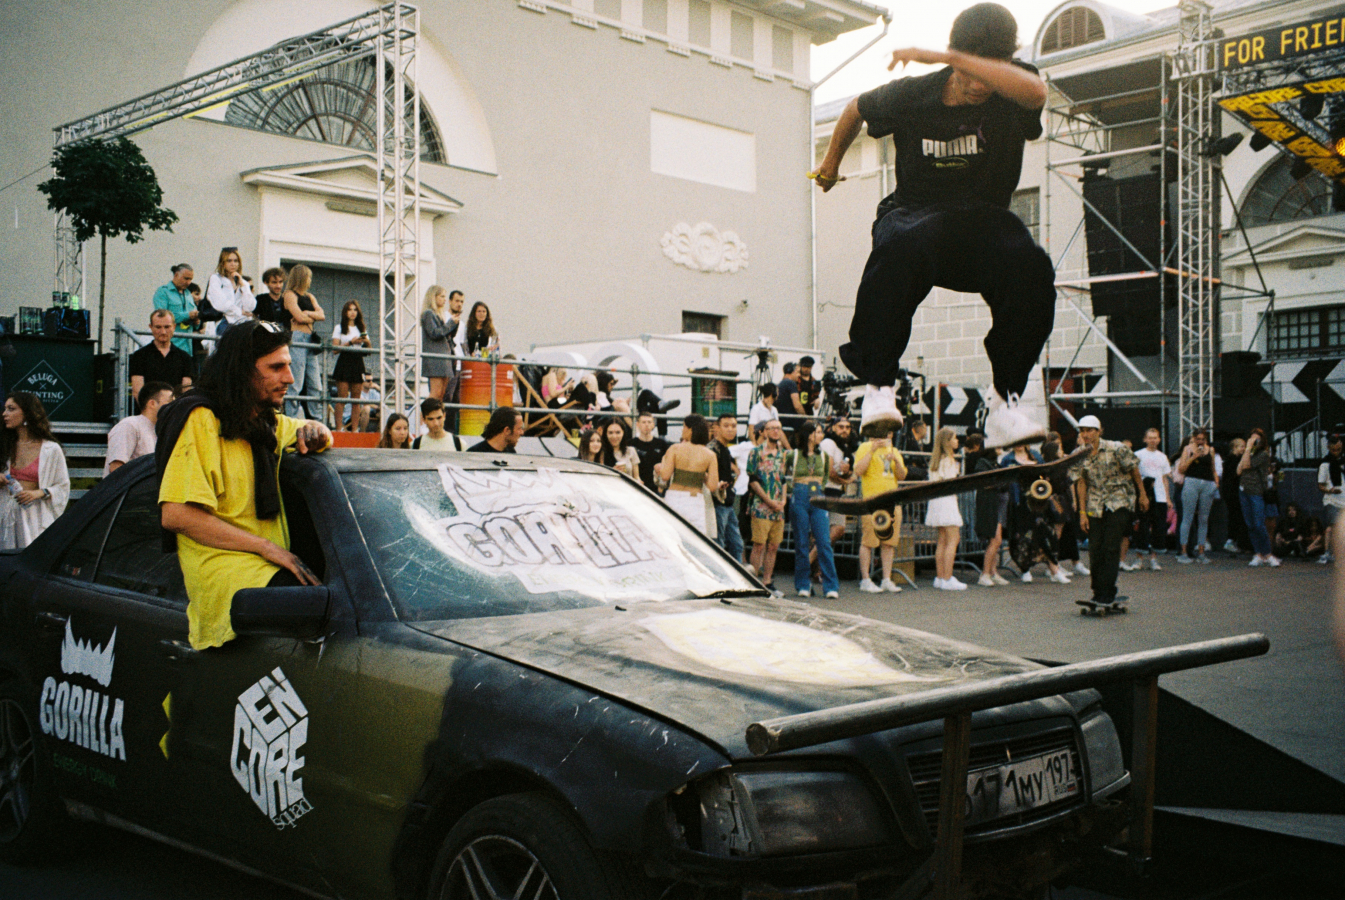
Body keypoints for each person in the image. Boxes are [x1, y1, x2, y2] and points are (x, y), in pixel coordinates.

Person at [812, 3, 1050, 449]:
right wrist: (829, 165)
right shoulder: (912, 94)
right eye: (967, 74)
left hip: (981, 227)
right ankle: (879, 388)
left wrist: (953, 58)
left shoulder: (1014, 86)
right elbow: (855, 108)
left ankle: (1004, 404)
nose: (978, 86)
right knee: (900, 242)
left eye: (987, 74)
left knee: (1030, 266)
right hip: (914, 213)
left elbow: (1036, 93)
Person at [157, 320, 332, 650]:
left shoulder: (264, 424)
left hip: (268, 565)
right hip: (227, 575)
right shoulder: (202, 419)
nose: (290, 378)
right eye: (276, 368)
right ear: (242, 371)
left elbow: (313, 429)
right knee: (324, 615)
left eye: (288, 365)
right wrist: (267, 548)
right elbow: (176, 514)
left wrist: (318, 432)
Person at [1071, 415, 1147, 610]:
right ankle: (1098, 591)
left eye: (1090, 430)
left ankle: (1108, 591)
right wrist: (1082, 513)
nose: (1086, 434)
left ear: (1099, 431)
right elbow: (1081, 483)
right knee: (1095, 548)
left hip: (1119, 500)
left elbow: (1134, 470)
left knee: (1111, 547)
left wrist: (1142, 494)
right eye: (1082, 431)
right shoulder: (1078, 454)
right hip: (1095, 504)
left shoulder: (1116, 448)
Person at [0, 391, 70, 549]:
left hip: (35, 518)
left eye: (11, 409)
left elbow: (63, 486)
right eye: (5, 409)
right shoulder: (4, 445)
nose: (5, 414)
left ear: (27, 413)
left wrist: (39, 493)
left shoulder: (51, 449)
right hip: (5, 518)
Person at [854, 421, 907, 593]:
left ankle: (886, 579)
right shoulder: (864, 447)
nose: (885, 436)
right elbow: (858, 471)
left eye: (888, 433)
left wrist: (896, 461)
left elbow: (902, 476)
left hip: (891, 501)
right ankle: (865, 579)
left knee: (888, 543)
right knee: (869, 542)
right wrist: (872, 450)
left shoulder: (894, 450)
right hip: (872, 501)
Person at [789, 422, 840, 599]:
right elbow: (781, 472)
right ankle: (803, 584)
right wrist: (791, 488)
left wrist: (820, 488)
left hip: (817, 495)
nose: (821, 435)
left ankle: (831, 585)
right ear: (809, 435)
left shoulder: (823, 456)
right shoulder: (794, 454)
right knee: (802, 542)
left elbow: (825, 476)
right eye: (817, 432)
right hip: (799, 495)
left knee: (824, 541)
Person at [655, 414, 721, 537]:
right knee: (695, 539)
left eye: (684, 426)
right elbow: (712, 486)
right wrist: (701, 475)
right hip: (695, 500)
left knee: (670, 536)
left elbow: (665, 476)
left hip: (674, 497)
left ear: (691, 430)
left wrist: (664, 462)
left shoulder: (675, 448)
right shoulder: (710, 455)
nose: (682, 429)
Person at [746, 419, 790, 595]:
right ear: (764, 432)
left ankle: (767, 581)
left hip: (778, 507)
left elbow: (783, 479)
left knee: (773, 546)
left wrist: (783, 500)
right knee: (759, 545)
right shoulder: (756, 452)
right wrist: (768, 500)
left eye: (778, 428)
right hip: (761, 506)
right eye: (771, 428)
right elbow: (753, 480)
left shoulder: (783, 454)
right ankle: (753, 583)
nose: (775, 431)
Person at [281, 264, 325, 419]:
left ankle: (316, 418)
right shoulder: (289, 294)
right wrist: (311, 316)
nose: (310, 280)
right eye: (308, 277)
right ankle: (291, 418)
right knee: (296, 382)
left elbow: (322, 315)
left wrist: (307, 313)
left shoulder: (310, 296)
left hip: (310, 339)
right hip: (297, 337)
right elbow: (298, 317)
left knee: (315, 383)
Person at [926, 426, 966, 590]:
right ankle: (948, 577)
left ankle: (940, 576)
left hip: (936, 500)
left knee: (942, 540)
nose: (957, 441)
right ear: (947, 441)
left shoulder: (936, 460)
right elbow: (950, 483)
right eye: (954, 438)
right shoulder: (949, 460)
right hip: (947, 500)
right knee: (953, 539)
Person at [967, 434, 1009, 586]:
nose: (1000, 448)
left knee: (996, 540)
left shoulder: (995, 463)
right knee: (995, 540)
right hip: (989, 504)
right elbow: (984, 481)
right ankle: (985, 574)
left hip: (997, 503)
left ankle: (993, 571)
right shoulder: (983, 463)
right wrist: (1000, 482)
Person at [104, 381, 173, 474]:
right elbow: (116, 468)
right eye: (170, 402)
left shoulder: (163, 431)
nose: (174, 407)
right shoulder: (129, 425)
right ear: (152, 403)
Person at [1128, 427, 1172, 571]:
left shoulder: (1162, 457)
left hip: (1159, 496)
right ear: (1145, 439)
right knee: (1142, 526)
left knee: (1158, 528)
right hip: (1144, 495)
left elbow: (1164, 478)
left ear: (1159, 439)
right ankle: (1139, 559)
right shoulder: (1138, 455)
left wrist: (1167, 498)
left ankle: (1154, 559)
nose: (1153, 440)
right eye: (1150, 437)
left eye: (1155, 437)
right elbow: (1134, 476)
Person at [1175, 428, 1221, 564]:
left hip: (1207, 483)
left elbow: (1213, 469)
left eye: (1203, 439)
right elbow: (1181, 469)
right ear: (1194, 438)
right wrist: (1193, 457)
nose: (1200, 441)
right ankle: (1183, 551)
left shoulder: (1210, 450)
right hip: (1191, 482)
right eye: (1198, 439)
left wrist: (1216, 482)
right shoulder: (1188, 449)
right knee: (1187, 517)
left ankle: (1201, 552)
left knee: (1204, 518)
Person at [1238, 427, 1279, 568]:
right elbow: (1239, 469)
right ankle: (1258, 553)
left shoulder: (1263, 454)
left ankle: (1267, 553)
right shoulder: (1249, 452)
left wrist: (1248, 448)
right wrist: (1247, 450)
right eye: (1252, 439)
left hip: (1256, 492)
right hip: (1244, 490)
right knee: (1250, 524)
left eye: (1257, 439)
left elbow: (1246, 465)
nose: (1255, 442)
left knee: (1258, 524)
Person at [130, 309, 194, 397]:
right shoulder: (139, 356)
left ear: (174, 327)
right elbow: (137, 391)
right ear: (151, 327)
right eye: (158, 327)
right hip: (149, 404)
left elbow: (186, 391)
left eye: (167, 327)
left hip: (176, 405)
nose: (163, 332)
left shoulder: (185, 357)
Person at [708, 414, 745, 562]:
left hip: (727, 504)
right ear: (717, 428)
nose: (730, 429)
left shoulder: (725, 449)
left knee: (737, 545)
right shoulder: (712, 449)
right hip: (717, 504)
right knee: (719, 546)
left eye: (733, 426)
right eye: (726, 426)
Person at [820, 416, 857, 552]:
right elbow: (829, 472)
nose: (845, 430)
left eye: (847, 427)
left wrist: (846, 472)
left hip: (836, 491)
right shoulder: (828, 442)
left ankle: (813, 558)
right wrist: (846, 480)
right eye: (841, 427)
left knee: (839, 528)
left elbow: (848, 473)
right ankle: (814, 562)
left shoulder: (845, 447)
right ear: (833, 428)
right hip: (822, 490)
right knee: (819, 531)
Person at [331, 300, 369, 431]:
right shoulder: (339, 327)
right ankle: (338, 429)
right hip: (344, 360)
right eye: (350, 309)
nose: (352, 312)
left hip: (358, 360)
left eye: (355, 310)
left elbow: (369, 349)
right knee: (342, 397)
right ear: (345, 312)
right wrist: (350, 343)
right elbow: (335, 349)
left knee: (356, 399)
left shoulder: (362, 328)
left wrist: (365, 341)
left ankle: (354, 430)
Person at [204, 247, 256, 337]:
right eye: (229, 261)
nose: (233, 264)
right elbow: (220, 303)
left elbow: (250, 306)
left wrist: (243, 286)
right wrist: (239, 311)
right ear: (223, 263)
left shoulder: (242, 282)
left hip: (242, 323)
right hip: (224, 322)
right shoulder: (216, 279)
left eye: (236, 261)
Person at [153, 263, 199, 354]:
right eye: (186, 278)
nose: (188, 282)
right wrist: (187, 315)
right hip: (170, 347)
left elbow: (195, 323)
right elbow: (161, 318)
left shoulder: (188, 294)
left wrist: (196, 321)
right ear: (176, 275)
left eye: (190, 279)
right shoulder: (163, 292)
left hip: (187, 348)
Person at [420, 286, 456, 403]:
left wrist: (453, 325)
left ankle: (436, 414)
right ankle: (424, 415)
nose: (445, 300)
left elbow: (444, 333)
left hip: (443, 357)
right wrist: (450, 324)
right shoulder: (428, 314)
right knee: (435, 393)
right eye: (442, 296)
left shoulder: (437, 314)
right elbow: (434, 333)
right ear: (433, 297)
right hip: (435, 359)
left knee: (441, 395)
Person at [1317, 433, 1344, 566]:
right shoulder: (1325, 464)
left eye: (1338, 449)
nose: (1336, 452)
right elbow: (1320, 485)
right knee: (1332, 526)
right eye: (1333, 450)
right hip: (1332, 500)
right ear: (1328, 448)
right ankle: (1328, 552)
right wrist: (1330, 490)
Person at [1222, 436, 1250, 554]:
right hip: (1232, 492)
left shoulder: (1232, 459)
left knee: (1236, 516)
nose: (1244, 449)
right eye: (1241, 446)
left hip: (1232, 492)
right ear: (1234, 447)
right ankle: (1231, 540)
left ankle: (1235, 541)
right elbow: (1236, 473)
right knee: (1235, 516)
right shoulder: (1232, 460)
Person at [630, 412, 670, 492]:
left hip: (656, 488)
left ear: (653, 425)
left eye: (649, 422)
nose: (647, 425)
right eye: (643, 422)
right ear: (637, 424)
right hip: (637, 486)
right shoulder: (631, 444)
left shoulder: (661, 444)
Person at [776, 363, 803, 431]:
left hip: (781, 419)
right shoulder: (791, 383)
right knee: (809, 426)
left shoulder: (780, 384)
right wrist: (806, 417)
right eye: (798, 372)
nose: (799, 375)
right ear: (791, 372)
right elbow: (797, 406)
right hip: (789, 420)